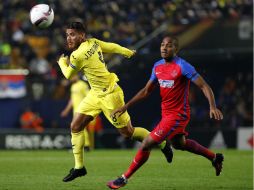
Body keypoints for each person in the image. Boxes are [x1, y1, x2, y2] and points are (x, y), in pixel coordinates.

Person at [57, 21, 173, 182]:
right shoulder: (94, 42)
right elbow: (110, 46)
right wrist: (126, 51)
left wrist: (62, 63)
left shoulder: (77, 55)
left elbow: (68, 74)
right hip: (95, 94)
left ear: (82, 35)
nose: (68, 38)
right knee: (75, 126)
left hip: (111, 95)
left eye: (72, 35)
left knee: (128, 133)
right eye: (67, 35)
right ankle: (79, 167)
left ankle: (162, 143)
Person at [107, 36, 224, 189]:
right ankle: (215, 157)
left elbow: (204, 86)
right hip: (166, 114)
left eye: (168, 46)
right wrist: (125, 106)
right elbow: (146, 91)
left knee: (147, 143)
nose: (164, 48)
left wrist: (212, 106)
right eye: (162, 45)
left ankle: (123, 178)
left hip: (178, 115)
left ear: (176, 49)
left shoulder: (183, 66)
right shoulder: (157, 66)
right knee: (179, 144)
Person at [60, 75, 92, 151]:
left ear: (76, 76)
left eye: (72, 76)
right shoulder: (73, 86)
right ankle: (84, 146)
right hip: (75, 111)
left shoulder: (83, 85)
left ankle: (83, 146)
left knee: (78, 127)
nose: (70, 78)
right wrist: (66, 110)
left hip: (82, 110)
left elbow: (89, 97)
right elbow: (72, 100)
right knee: (78, 127)